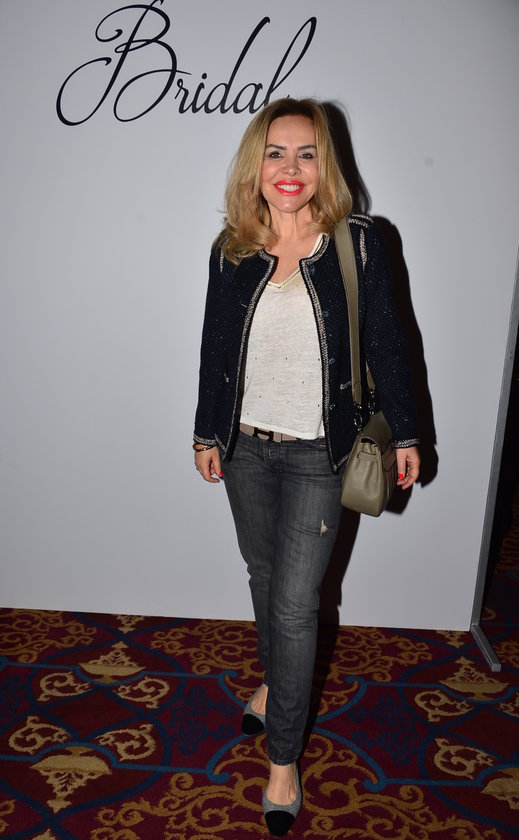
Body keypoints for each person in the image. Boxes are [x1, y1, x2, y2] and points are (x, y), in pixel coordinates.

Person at [193, 97, 420, 837]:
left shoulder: (357, 241)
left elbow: (388, 342)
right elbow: (214, 349)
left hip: (321, 453)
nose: (289, 168)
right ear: (254, 164)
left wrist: (407, 434)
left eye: (306, 153)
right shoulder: (232, 247)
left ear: (326, 165)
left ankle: (283, 759)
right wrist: (205, 432)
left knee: (295, 608)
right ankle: (274, 685)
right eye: (275, 152)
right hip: (245, 448)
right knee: (263, 580)